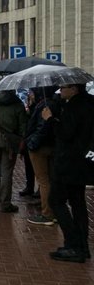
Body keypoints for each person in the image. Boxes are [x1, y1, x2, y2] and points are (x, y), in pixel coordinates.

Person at [42, 83, 94, 263]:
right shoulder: (89, 103)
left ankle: (73, 245)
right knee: (78, 203)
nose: (60, 90)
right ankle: (82, 247)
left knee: (56, 201)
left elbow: (65, 133)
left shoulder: (74, 107)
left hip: (69, 162)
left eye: (64, 87)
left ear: (74, 89)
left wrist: (50, 119)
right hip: (82, 163)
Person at [25, 87, 57, 225]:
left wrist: (31, 143)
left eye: (32, 91)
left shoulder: (45, 106)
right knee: (49, 179)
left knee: (43, 181)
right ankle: (53, 211)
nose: (30, 94)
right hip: (51, 146)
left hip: (41, 147)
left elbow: (42, 128)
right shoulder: (53, 103)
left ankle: (47, 214)